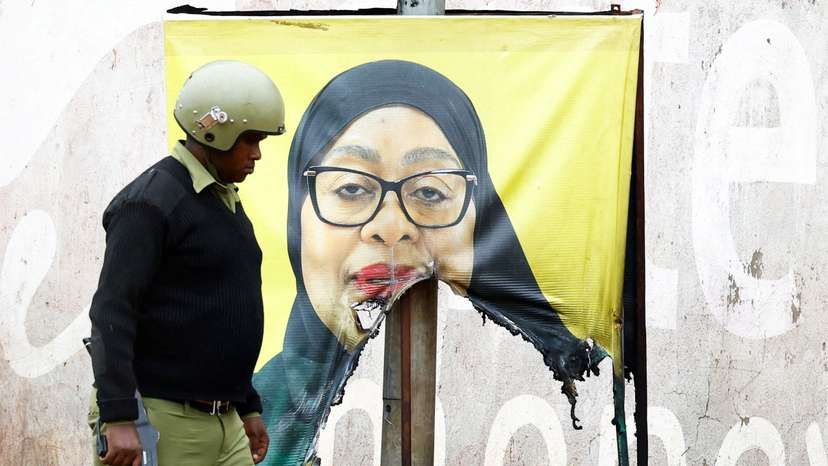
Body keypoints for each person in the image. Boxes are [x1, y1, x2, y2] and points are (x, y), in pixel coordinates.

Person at [252, 59, 600, 465]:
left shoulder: (578, 389)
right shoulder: (246, 412)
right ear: (297, 217)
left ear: (480, 219)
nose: (391, 227)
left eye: (430, 193)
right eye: (351, 188)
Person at [87, 60, 285, 466]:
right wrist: (119, 415)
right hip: (161, 419)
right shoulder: (151, 202)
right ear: (216, 131)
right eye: (250, 140)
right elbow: (112, 310)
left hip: (225, 422)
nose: (257, 154)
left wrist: (247, 406)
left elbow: (221, 311)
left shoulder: (221, 199)